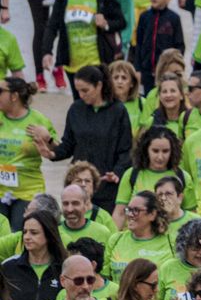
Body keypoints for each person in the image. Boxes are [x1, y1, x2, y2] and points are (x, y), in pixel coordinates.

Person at [32, 66, 131, 212]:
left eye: (85, 90)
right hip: (79, 184)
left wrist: (117, 172)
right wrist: (51, 152)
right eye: (78, 90)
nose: (81, 95)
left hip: (107, 184)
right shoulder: (75, 109)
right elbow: (68, 145)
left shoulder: (118, 110)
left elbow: (126, 149)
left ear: (99, 85)